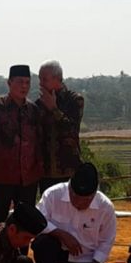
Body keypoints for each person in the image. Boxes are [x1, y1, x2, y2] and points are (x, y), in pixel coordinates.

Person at [32, 162, 117, 263]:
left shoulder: (105, 207)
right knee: (43, 243)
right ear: (69, 186)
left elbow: (106, 242)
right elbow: (38, 221)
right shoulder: (53, 194)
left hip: (85, 259)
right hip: (56, 252)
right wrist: (61, 234)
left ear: (94, 193)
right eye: (75, 197)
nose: (78, 203)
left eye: (86, 200)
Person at [0, 64, 43, 226]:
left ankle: (20, 252)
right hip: (1, 176)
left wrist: (39, 169)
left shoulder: (33, 111)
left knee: (25, 222)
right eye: (20, 82)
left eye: (27, 82)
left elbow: (39, 143)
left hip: (28, 178)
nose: (24, 86)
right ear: (9, 83)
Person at [35, 60, 85, 194]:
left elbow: (71, 130)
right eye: (40, 79)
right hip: (45, 172)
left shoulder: (75, 100)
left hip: (69, 168)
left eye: (44, 79)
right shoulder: (39, 104)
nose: (40, 83)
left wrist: (53, 108)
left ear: (57, 79)